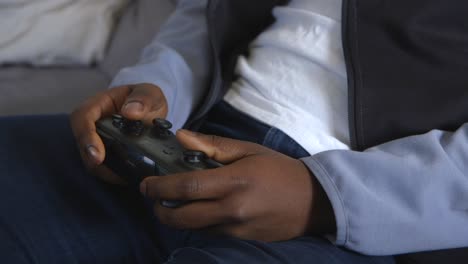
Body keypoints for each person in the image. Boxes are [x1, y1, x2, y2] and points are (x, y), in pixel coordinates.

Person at [1, 0, 467, 263]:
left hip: (360, 214)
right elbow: (206, 14)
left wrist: (324, 196)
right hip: (185, 137)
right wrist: (155, 87)